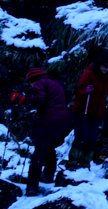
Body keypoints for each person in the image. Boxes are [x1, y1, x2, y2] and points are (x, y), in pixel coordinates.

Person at [8, 67, 73, 195]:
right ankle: (48, 175)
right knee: (49, 147)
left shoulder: (39, 83)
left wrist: (22, 99)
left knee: (39, 152)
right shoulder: (55, 83)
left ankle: (32, 186)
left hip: (49, 120)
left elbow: (39, 99)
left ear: (32, 80)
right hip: (64, 121)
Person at [68, 48, 108, 169]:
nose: (106, 68)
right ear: (99, 63)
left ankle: (85, 163)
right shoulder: (88, 73)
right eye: (104, 65)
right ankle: (72, 162)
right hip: (83, 112)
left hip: (97, 113)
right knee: (81, 137)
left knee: (92, 139)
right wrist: (85, 91)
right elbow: (79, 89)